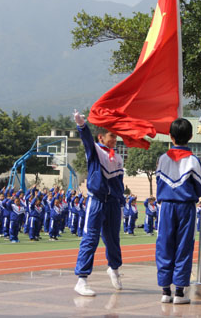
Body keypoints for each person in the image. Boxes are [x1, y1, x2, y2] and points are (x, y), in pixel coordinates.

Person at [155, 118, 201, 304]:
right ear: (191, 137)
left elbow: (159, 182)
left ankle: (165, 291)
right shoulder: (193, 160)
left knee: (164, 246)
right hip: (186, 207)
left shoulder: (162, 159)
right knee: (183, 247)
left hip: (166, 206)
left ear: (170, 136)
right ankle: (179, 291)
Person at [73, 110, 125, 297]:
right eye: (112, 136)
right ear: (101, 137)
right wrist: (81, 126)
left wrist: (121, 204)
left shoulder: (118, 158)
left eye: (116, 136)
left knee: (113, 241)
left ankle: (114, 269)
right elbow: (87, 139)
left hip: (112, 203)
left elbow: (119, 184)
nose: (115, 139)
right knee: (91, 239)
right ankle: (82, 280)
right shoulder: (94, 151)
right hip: (96, 202)